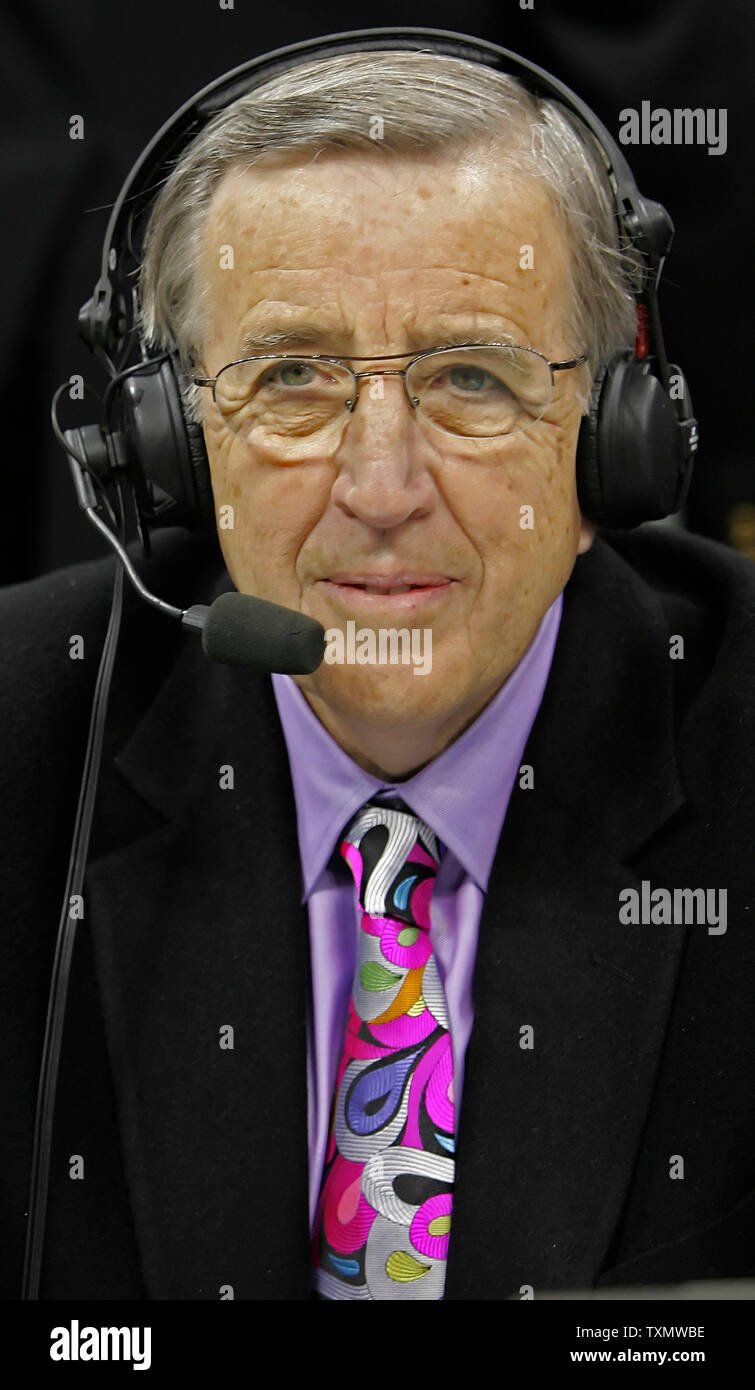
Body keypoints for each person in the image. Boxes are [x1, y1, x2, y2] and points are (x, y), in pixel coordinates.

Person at [1, 40, 753, 1302]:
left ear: (615, 446)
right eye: (292, 377)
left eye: (470, 378)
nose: (381, 488)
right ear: (172, 452)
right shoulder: (28, 742)